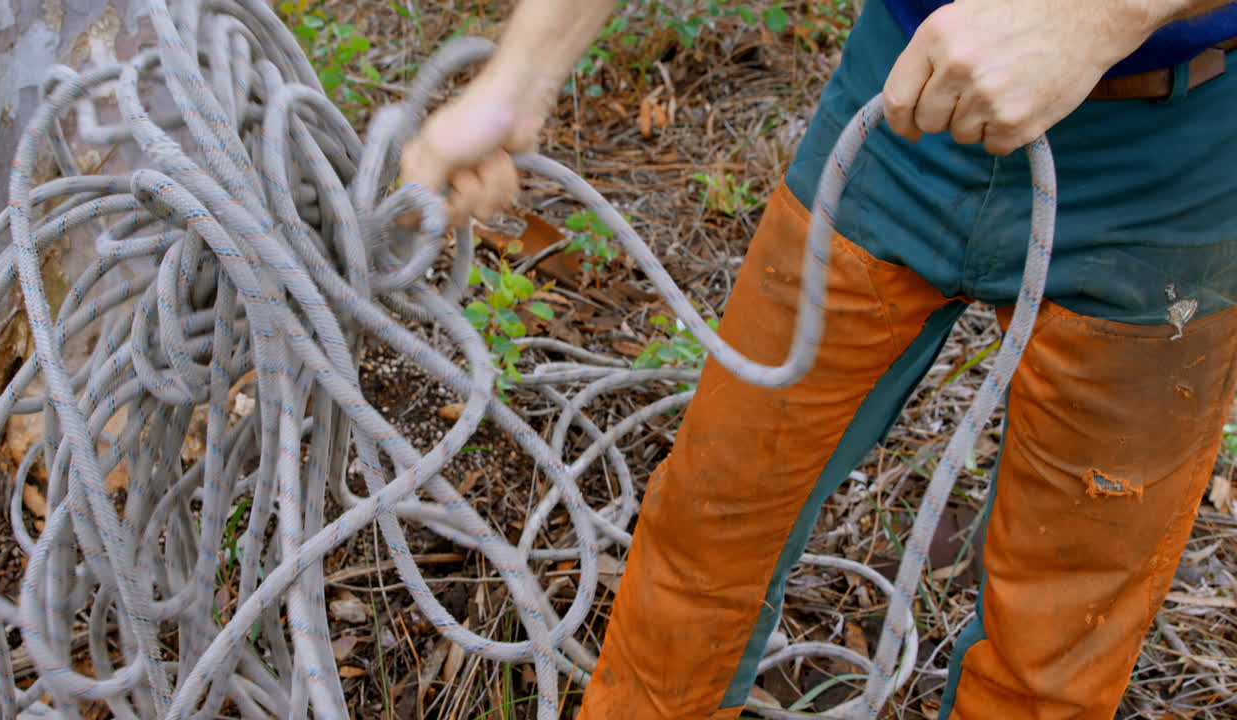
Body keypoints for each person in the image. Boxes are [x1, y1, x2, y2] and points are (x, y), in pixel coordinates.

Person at [400, 0, 1237, 717]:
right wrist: (517, 82)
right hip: (905, 97)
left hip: (1177, 159)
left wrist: (1098, 18)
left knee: (1061, 637)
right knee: (714, 521)